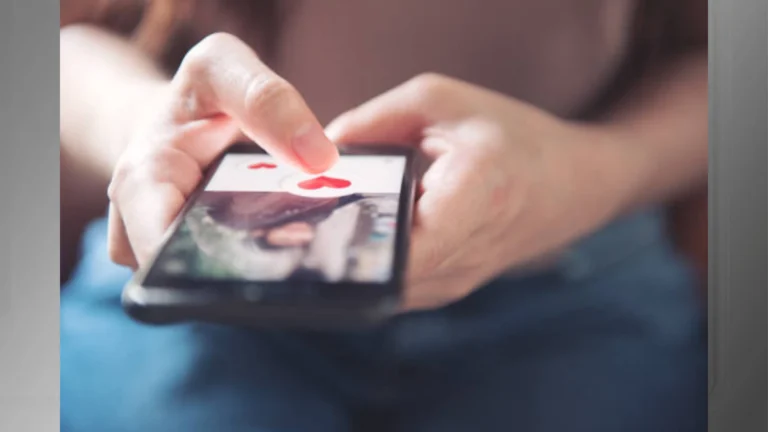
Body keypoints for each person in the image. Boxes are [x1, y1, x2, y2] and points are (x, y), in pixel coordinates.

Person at [60, 0, 708, 431]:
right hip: (208, 269)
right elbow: (62, 39)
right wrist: (142, 123)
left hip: (575, 279)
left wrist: (597, 172)